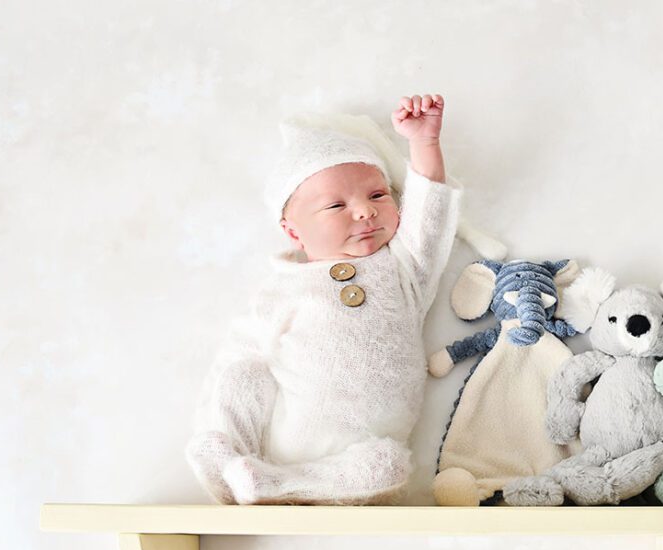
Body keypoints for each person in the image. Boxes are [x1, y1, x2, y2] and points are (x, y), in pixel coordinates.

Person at [186, 94, 463, 505]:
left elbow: (429, 219)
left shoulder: (403, 269)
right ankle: (230, 467)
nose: (365, 213)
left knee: (387, 465)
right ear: (293, 232)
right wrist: (222, 423)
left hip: (354, 464)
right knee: (242, 373)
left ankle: (276, 486)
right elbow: (238, 355)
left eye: (378, 195)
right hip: (285, 435)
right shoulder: (285, 285)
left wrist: (424, 144)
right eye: (337, 205)